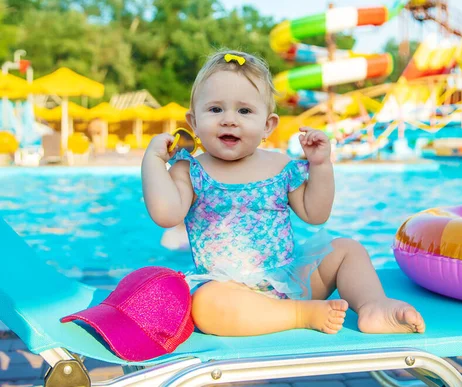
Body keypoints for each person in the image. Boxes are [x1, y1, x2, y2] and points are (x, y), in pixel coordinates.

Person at [141, 49, 425, 337]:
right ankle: (300, 315)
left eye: (244, 111)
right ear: (193, 122)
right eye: (215, 109)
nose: (229, 120)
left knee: (347, 250)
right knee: (205, 304)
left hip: (291, 280)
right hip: (233, 294)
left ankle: (374, 306)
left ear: (268, 125)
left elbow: (316, 214)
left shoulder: (280, 165)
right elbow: (166, 215)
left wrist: (320, 165)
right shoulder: (190, 171)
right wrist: (153, 162)